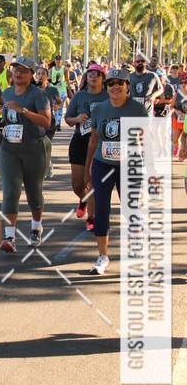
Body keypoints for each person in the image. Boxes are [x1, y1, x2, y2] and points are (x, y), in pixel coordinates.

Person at [83, 67, 149, 275]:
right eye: (111, 83)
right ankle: (102, 256)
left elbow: (146, 140)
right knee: (101, 208)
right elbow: (93, 140)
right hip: (102, 163)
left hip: (129, 165)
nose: (115, 87)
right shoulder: (99, 109)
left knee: (130, 208)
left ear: (127, 86)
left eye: (120, 83)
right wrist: (87, 168)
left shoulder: (138, 110)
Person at [0, 56, 51, 252]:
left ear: (31, 74)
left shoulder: (38, 95)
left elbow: (46, 122)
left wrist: (23, 110)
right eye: (16, 69)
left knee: (33, 192)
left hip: (34, 147)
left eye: (23, 70)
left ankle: (36, 227)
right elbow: (8, 118)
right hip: (9, 148)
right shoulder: (7, 92)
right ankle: (9, 236)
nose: (18, 73)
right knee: (10, 190)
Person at [64, 62, 108, 229]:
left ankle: (92, 218)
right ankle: (83, 199)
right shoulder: (79, 96)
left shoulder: (108, 96)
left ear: (103, 78)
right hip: (80, 141)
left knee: (93, 180)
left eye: (97, 74)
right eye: (90, 74)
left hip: (100, 143)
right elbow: (68, 119)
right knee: (78, 184)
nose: (93, 77)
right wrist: (77, 119)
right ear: (86, 77)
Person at [34, 65, 62, 179]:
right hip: (35, 121)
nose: (40, 76)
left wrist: (56, 106)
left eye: (43, 74)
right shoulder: (32, 89)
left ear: (47, 76)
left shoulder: (52, 90)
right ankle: (41, 166)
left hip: (49, 121)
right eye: (38, 74)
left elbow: (59, 102)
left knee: (45, 144)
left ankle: (48, 165)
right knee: (37, 146)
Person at [49, 55, 70, 130]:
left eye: (59, 61)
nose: (58, 62)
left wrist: (69, 91)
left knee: (60, 107)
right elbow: (49, 80)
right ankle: (55, 122)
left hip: (62, 91)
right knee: (55, 107)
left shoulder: (64, 69)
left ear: (61, 61)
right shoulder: (51, 69)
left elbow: (67, 80)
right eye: (57, 61)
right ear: (55, 61)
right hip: (54, 91)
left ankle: (58, 123)